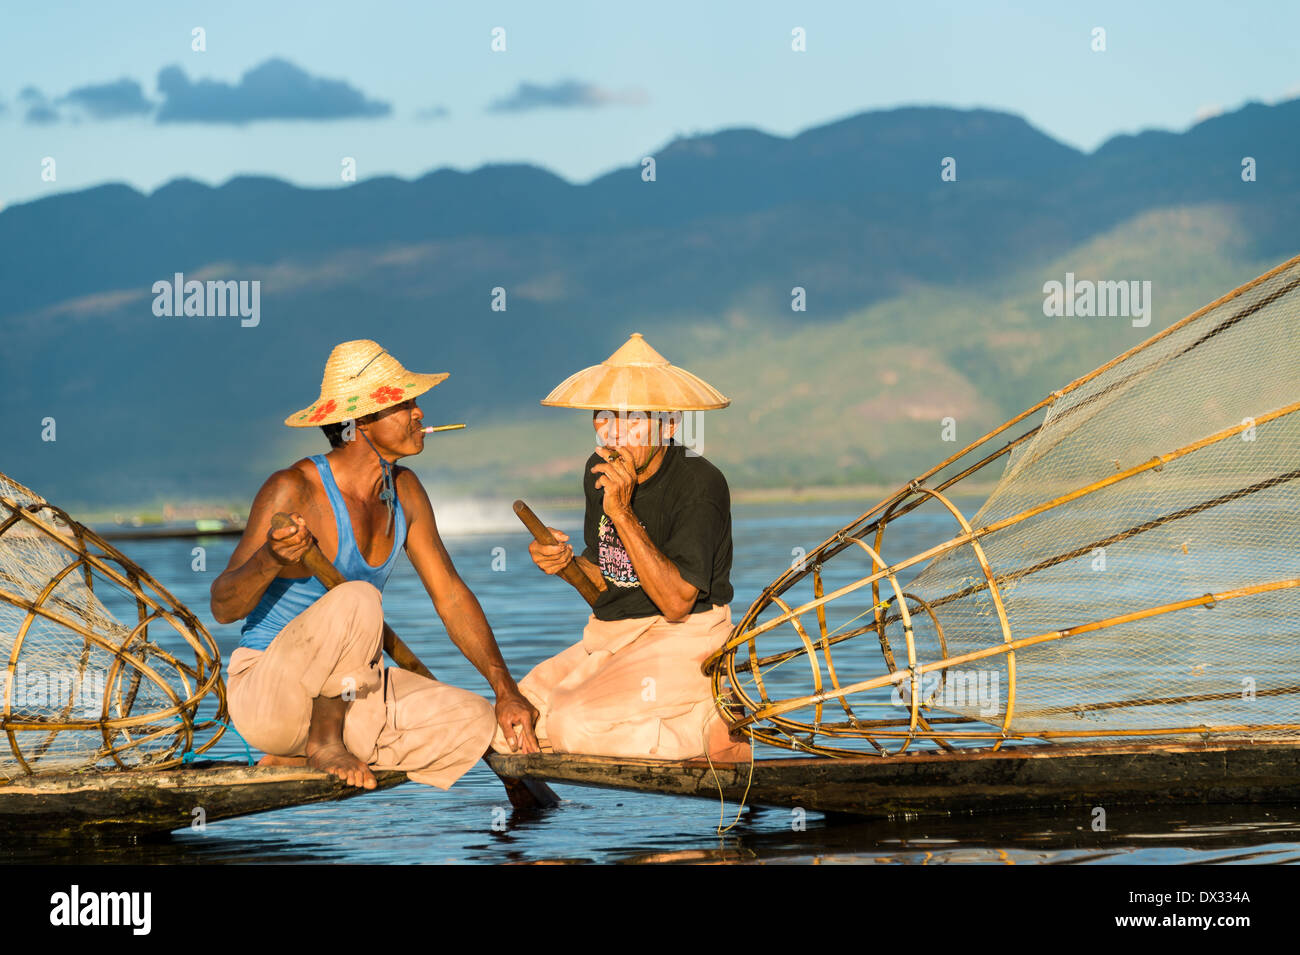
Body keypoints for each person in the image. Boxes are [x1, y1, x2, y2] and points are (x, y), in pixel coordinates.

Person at [210, 339, 539, 791]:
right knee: (360, 598)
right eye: (404, 406)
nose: (419, 414)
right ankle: (322, 744)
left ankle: (300, 751)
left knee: (474, 719)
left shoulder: (405, 490)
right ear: (360, 422)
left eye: (415, 403)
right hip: (270, 695)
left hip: (347, 695)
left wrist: (505, 690)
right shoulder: (293, 487)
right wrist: (269, 557)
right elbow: (223, 607)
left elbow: (451, 598)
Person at [493, 333, 750, 762]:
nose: (613, 433)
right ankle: (670, 716)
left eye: (631, 419)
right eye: (603, 417)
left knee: (571, 725)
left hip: (683, 637)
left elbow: (675, 603)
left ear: (667, 425)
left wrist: (623, 512)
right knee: (509, 724)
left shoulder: (699, 484)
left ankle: (706, 722)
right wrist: (565, 563)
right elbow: (608, 576)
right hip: (613, 635)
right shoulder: (600, 470)